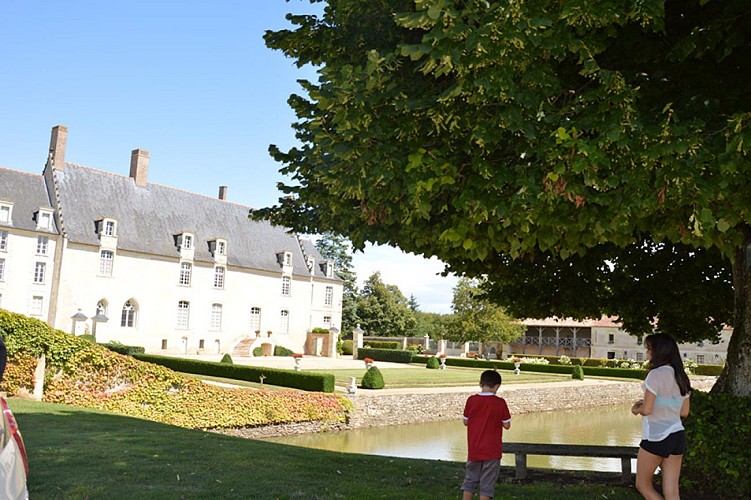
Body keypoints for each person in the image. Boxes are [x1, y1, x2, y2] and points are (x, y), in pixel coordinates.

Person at [631, 333, 692, 500]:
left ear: (658, 352)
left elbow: (647, 409)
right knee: (672, 492)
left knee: (643, 486)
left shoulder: (655, 375)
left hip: (657, 438)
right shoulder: (681, 377)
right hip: (677, 436)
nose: (647, 353)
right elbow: (684, 412)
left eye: (649, 349)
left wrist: (637, 408)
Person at [461, 369, 511, 500]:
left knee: (470, 480)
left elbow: (465, 421)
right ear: (497, 386)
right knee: (487, 484)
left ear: (480, 384)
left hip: (474, 449)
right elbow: (507, 425)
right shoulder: (500, 403)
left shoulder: (471, 400)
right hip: (492, 450)